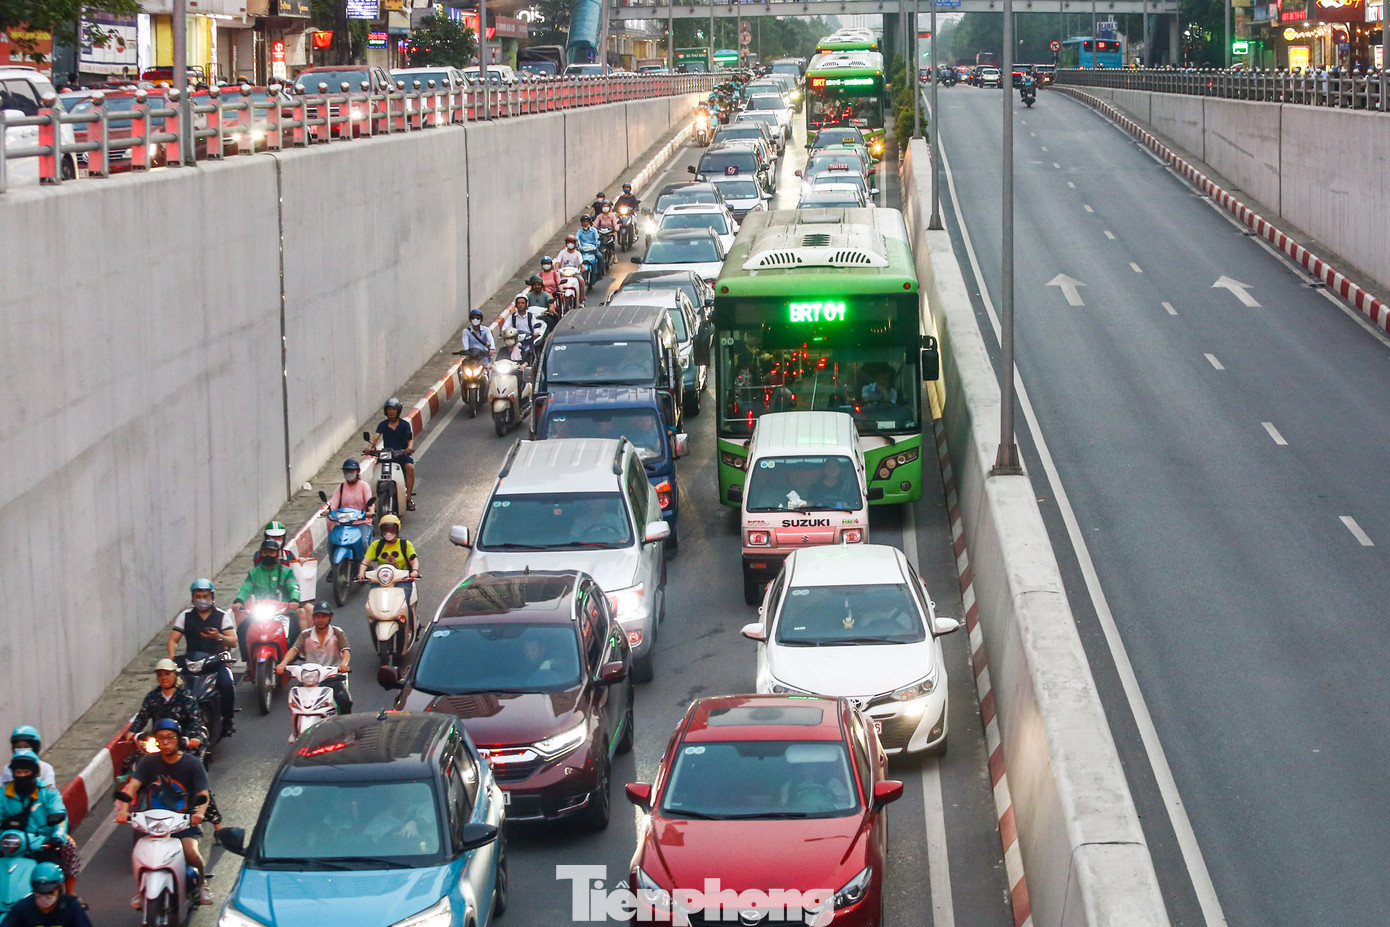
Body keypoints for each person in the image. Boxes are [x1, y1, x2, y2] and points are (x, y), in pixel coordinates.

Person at [114, 719, 214, 908]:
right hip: (154, 822)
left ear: (178, 740)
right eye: (161, 738)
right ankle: (140, 890)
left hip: (184, 821)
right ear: (156, 741)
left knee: (191, 852)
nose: (166, 742)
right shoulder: (149, 762)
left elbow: (203, 794)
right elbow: (133, 786)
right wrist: (125, 810)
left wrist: (199, 813)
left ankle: (201, 884)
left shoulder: (192, 763)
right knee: (140, 854)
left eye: (170, 738)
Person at [167, 579, 238, 737]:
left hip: (215, 662)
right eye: (198, 596)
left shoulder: (222, 616)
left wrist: (218, 636)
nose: (201, 600)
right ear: (193, 598)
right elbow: (173, 640)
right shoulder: (185, 616)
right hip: (190, 663)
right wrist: (171, 658)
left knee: (227, 685)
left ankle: (228, 720)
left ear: (211, 597)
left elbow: (233, 641)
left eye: (205, 596)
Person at [0, 752, 72, 892]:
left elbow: (61, 818)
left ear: (35, 773)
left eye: (26, 771)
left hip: (41, 845)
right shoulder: (3, 795)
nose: (22, 775)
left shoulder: (48, 792)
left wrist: (56, 837)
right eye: (18, 772)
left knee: (53, 875)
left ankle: (61, 903)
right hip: (9, 846)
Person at [232, 538, 302, 661]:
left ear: (278, 554)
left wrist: (294, 600)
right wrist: (239, 600)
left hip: (282, 612)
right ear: (261, 553)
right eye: (265, 552)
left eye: (271, 552)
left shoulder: (286, 572)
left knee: (295, 629)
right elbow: (245, 589)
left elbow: (294, 587)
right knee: (243, 630)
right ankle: (248, 662)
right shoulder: (254, 573)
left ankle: (291, 660)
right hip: (258, 613)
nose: (268, 555)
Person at [276, 601, 352, 715]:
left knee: (344, 700)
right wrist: (283, 663)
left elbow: (345, 651)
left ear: (330, 617)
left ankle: (347, 729)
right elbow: (294, 649)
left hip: (332, 677)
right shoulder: (305, 634)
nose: (320, 619)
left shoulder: (337, 632)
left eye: (324, 616)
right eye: (317, 616)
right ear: (313, 618)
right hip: (310, 679)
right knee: (294, 702)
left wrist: (344, 664)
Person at [126, 660, 208, 751]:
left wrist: (195, 737)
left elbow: (195, 720)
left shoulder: (186, 697)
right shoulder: (152, 697)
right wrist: (132, 731)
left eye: (167, 674)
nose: (163, 677)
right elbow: (142, 717)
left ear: (175, 674)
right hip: (159, 743)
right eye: (160, 675)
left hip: (182, 746)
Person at [358, 514, 419, 634]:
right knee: (373, 606)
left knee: (404, 604)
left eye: (391, 530)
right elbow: (366, 561)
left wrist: (414, 571)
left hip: (402, 580)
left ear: (397, 530)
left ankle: (411, 628)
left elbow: (413, 560)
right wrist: (361, 573)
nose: (388, 533)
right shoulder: (376, 545)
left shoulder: (405, 545)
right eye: (385, 530)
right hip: (381, 580)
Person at [0, 862, 93, 927]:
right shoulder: (22, 907)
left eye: (49, 892)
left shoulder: (71, 906)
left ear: (59, 889)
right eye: (40, 893)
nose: (44, 897)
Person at [261, 521, 314, 631]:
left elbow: (296, 573)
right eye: (272, 537)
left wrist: (301, 563)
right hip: (267, 599)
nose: (276, 540)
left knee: (308, 609)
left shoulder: (289, 555)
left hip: (288, 597)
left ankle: (305, 643)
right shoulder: (261, 556)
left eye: (278, 537)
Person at [366, 397, 416, 511]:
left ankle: (408, 499)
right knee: (377, 470)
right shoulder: (382, 425)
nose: (391, 412)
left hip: (401, 454)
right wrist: (369, 448)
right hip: (387, 454)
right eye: (389, 409)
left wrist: (409, 448)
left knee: (410, 468)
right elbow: (375, 437)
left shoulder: (404, 425)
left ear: (398, 410)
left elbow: (410, 439)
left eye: (393, 409)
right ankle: (374, 501)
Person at [496, 294, 540, 358]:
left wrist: (536, 333)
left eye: (522, 303)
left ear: (526, 304)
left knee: (533, 352)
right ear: (516, 304)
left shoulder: (530, 316)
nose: (521, 305)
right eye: (519, 303)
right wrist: (504, 333)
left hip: (527, 340)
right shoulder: (513, 316)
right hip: (515, 340)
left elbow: (535, 326)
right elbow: (505, 328)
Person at [555, 234, 587, 303]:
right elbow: (558, 262)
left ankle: (582, 299)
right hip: (563, 273)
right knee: (556, 283)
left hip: (574, 273)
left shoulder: (578, 254)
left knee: (581, 280)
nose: (570, 244)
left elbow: (581, 263)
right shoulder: (562, 253)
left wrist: (583, 268)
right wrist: (556, 270)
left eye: (572, 242)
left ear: (575, 244)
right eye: (568, 242)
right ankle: (556, 301)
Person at [576, 215, 601, 282]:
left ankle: (599, 274)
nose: (585, 223)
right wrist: (576, 245)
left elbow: (597, 239)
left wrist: (597, 244)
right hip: (583, 250)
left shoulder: (594, 230)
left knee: (600, 256)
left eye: (587, 221)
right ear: (581, 223)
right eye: (583, 222)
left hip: (593, 249)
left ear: (589, 222)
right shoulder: (579, 231)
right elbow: (576, 239)